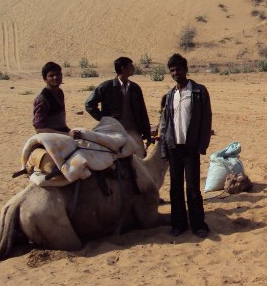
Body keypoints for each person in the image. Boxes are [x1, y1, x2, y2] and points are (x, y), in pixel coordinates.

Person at [158, 53, 212, 238]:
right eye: (172, 70)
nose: (175, 73)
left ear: (186, 69)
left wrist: (201, 145)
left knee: (193, 188)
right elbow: (165, 125)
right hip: (174, 148)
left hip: (190, 147)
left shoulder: (199, 92)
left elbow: (206, 120)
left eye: (178, 69)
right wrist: (164, 149)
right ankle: (178, 224)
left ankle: (198, 225)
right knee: (175, 188)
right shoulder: (169, 95)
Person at [84, 56, 152, 151]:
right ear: (123, 68)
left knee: (139, 158)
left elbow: (142, 112)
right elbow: (89, 104)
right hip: (113, 131)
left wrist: (147, 134)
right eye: (131, 66)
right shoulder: (106, 87)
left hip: (133, 131)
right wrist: (103, 118)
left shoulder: (135, 88)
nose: (133, 68)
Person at [33, 61, 75, 135]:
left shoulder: (60, 93)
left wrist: (70, 131)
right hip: (49, 137)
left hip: (62, 132)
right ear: (45, 79)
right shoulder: (42, 99)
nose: (55, 77)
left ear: (61, 76)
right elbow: (39, 129)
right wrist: (67, 134)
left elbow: (61, 124)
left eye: (57, 74)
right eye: (51, 76)